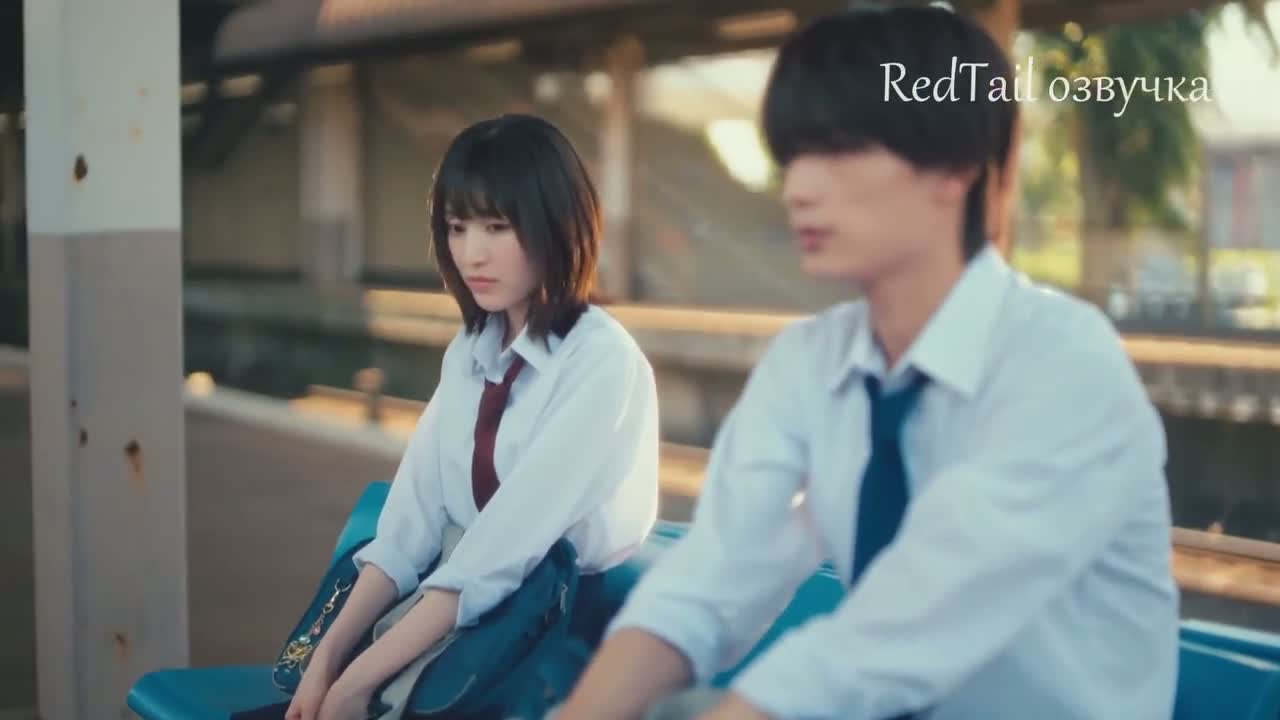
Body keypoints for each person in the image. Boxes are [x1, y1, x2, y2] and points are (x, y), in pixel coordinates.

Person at [556, 6, 1178, 720]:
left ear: (957, 167)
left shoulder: (1064, 366)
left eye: (839, 151)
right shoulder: (808, 363)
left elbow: (907, 624)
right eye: (793, 155)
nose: (797, 187)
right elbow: (710, 580)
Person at [285, 114, 662, 720]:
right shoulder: (471, 350)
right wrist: (324, 662)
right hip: (458, 609)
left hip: (560, 628)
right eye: (457, 228)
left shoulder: (601, 363)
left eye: (497, 226)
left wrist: (356, 683)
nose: (471, 253)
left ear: (555, 223)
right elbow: (408, 525)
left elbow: (500, 554)